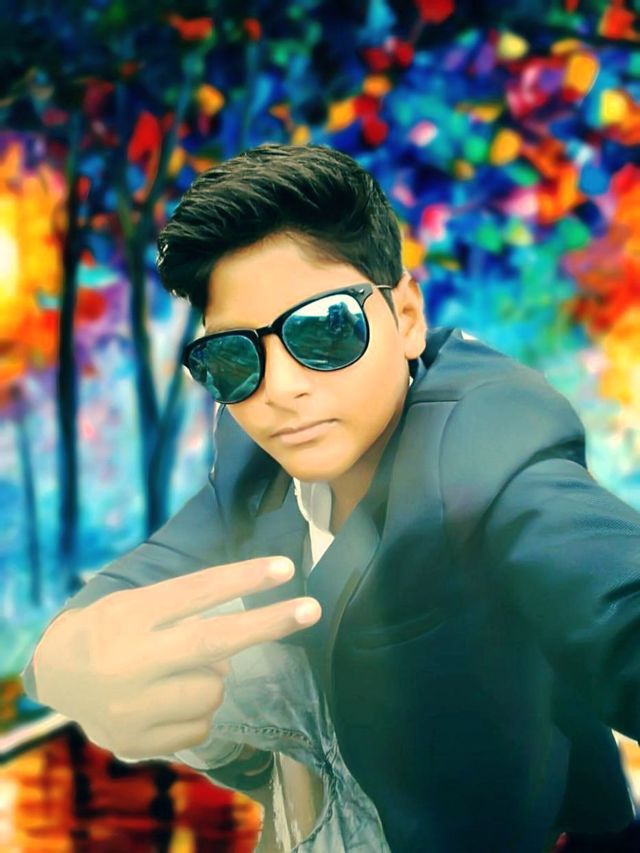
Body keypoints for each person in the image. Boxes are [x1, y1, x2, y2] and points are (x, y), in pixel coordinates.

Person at [21, 143, 640, 853]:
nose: (280, 388)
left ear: (406, 317)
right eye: (234, 358)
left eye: (324, 329)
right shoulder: (255, 457)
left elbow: (611, 598)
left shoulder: (491, 450)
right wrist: (67, 661)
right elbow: (136, 586)